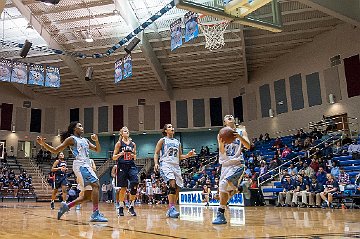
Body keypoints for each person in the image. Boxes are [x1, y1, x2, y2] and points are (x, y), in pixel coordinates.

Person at [36, 121, 107, 222]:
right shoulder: (71, 139)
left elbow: (97, 150)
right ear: (74, 129)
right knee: (96, 185)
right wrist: (44, 144)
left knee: (86, 196)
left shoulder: (85, 140)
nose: (82, 127)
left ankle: (66, 207)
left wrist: (96, 140)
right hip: (81, 165)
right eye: (80, 126)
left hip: (86, 165)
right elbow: (56, 150)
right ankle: (95, 214)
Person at [212, 115, 250, 224]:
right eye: (227, 117)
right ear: (224, 122)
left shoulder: (241, 131)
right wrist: (222, 143)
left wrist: (239, 137)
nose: (230, 116)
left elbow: (248, 146)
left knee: (224, 185)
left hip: (237, 164)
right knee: (223, 191)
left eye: (231, 116)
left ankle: (220, 213)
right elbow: (221, 150)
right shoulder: (221, 134)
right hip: (225, 165)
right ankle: (241, 189)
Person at [154, 123, 196, 218]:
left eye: (172, 127)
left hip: (176, 165)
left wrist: (188, 155)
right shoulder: (162, 140)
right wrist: (156, 163)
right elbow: (156, 153)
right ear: (165, 131)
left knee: (177, 187)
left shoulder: (177, 142)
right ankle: (172, 208)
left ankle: (171, 208)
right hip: (166, 164)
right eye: (169, 127)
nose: (172, 128)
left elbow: (180, 156)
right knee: (172, 183)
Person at [112, 126, 138, 217]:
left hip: (131, 165)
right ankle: (121, 207)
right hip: (122, 166)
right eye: (125, 131)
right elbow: (113, 157)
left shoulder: (133, 144)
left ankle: (131, 206)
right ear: (121, 133)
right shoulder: (119, 144)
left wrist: (132, 156)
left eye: (127, 131)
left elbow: (135, 156)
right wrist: (121, 154)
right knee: (123, 188)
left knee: (135, 183)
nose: (127, 132)